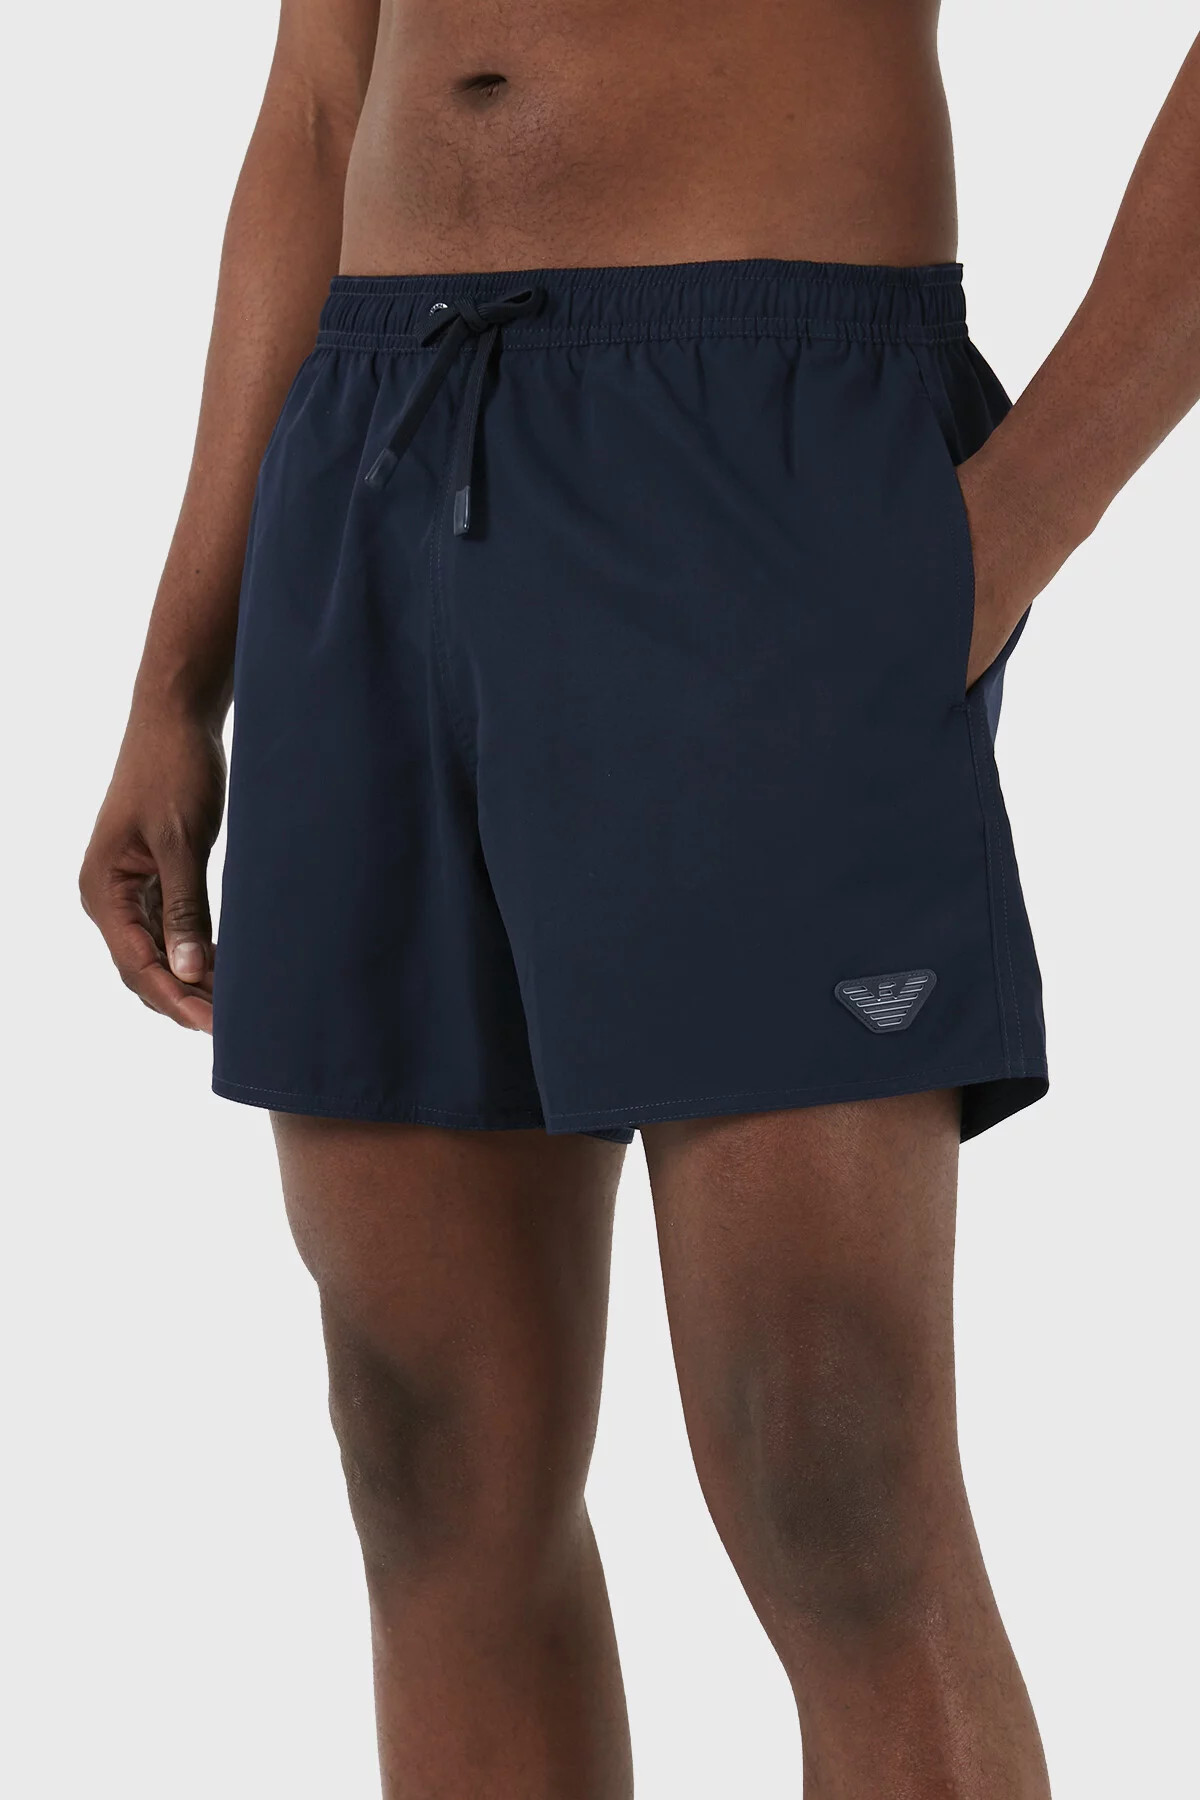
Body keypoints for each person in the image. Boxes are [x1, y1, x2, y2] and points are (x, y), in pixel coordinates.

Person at [79, 0, 1200, 1792]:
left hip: (752, 434)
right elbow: (318, 106)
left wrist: (1012, 527)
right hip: (372, 444)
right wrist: (177, 672)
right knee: (429, 1461)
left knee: (826, 1463)